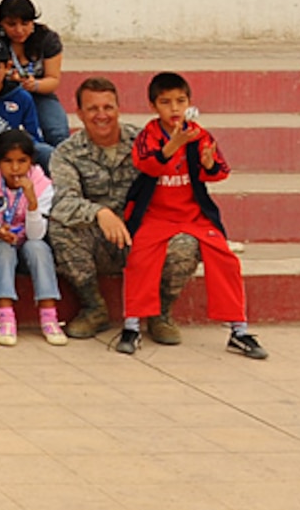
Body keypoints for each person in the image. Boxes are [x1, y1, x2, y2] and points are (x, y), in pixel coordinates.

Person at [116, 72, 263, 359]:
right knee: (140, 258)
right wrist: (173, 144)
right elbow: (146, 164)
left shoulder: (199, 135)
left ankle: (239, 330)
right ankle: (132, 326)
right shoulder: (148, 135)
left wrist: (208, 163)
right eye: (166, 102)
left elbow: (220, 171)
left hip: (193, 215)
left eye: (180, 101)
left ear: (189, 103)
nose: (174, 109)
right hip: (154, 215)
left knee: (226, 259)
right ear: (153, 106)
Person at [47, 76, 199, 342]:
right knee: (60, 227)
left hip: (145, 237)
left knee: (186, 242)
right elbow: (62, 201)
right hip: (99, 240)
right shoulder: (66, 152)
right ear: (80, 114)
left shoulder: (146, 142)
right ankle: (94, 308)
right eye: (93, 109)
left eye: (108, 107)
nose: (102, 115)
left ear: (118, 109)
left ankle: (160, 314)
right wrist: (99, 213)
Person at [0, 128, 63, 347]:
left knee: (38, 248)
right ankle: (5, 316)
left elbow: (36, 233)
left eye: (22, 161)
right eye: (8, 161)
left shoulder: (42, 184)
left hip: (30, 239)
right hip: (2, 240)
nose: (15, 169)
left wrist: (32, 202)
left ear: (31, 161)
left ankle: (49, 314)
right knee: (3, 250)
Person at [0, 0, 69, 148]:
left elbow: (53, 79)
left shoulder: (47, 39)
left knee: (58, 133)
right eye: (11, 24)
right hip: (2, 95)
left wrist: (35, 85)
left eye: (25, 23)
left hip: (39, 95)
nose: (19, 30)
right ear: (1, 24)